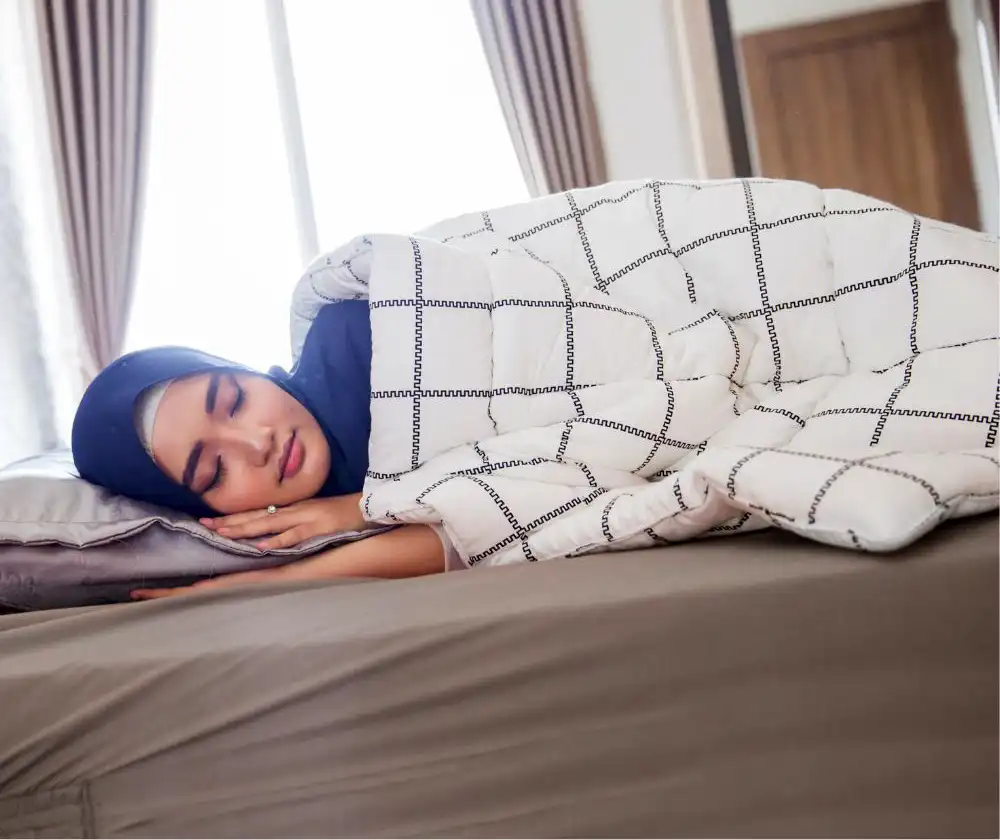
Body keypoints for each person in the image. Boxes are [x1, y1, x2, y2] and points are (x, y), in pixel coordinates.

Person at [72, 301, 451, 600]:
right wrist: (278, 578)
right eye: (215, 470)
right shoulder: (296, 520)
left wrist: (362, 507)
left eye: (235, 400)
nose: (257, 443)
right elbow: (471, 527)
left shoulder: (360, 328)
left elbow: (505, 491)